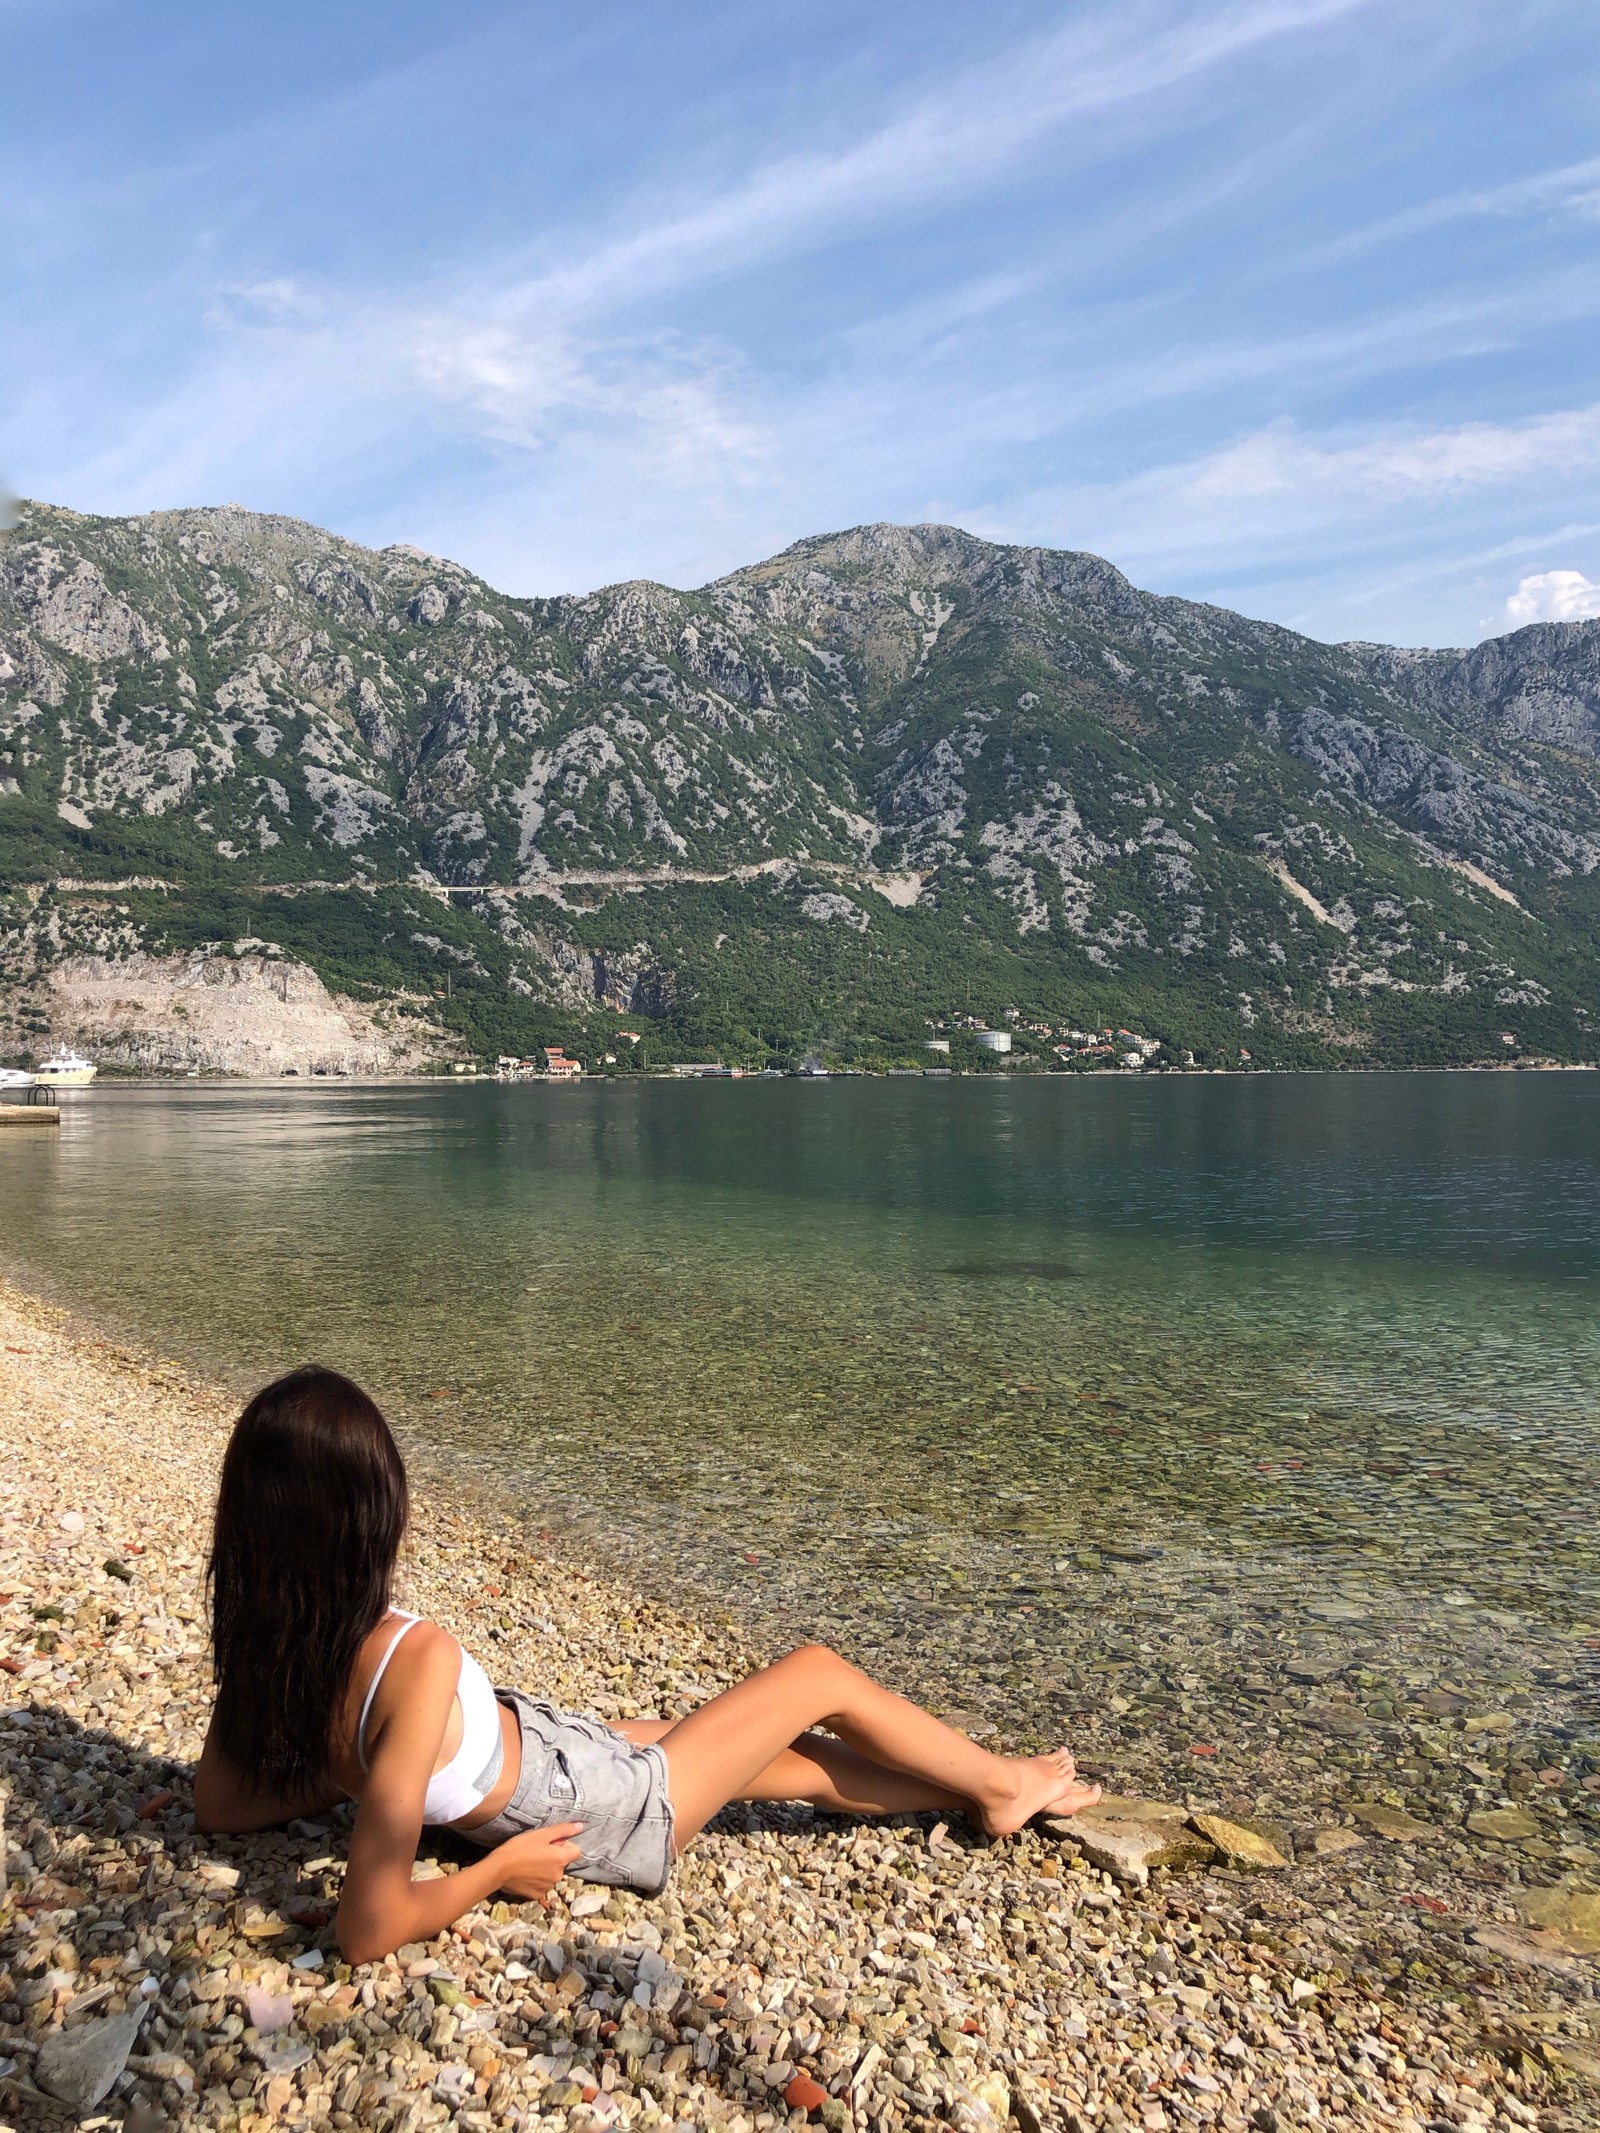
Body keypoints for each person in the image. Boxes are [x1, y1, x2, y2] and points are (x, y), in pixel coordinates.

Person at [193, 1366, 1101, 1964]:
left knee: (791, 1765)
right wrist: (491, 1872)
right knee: (819, 1677)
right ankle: (997, 1786)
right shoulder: (409, 1657)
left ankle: (970, 1789)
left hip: (555, 1755)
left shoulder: (273, 1638)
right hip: (588, 1804)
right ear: (368, 1518)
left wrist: (364, 1782)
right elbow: (366, 1927)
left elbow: (220, 1804)